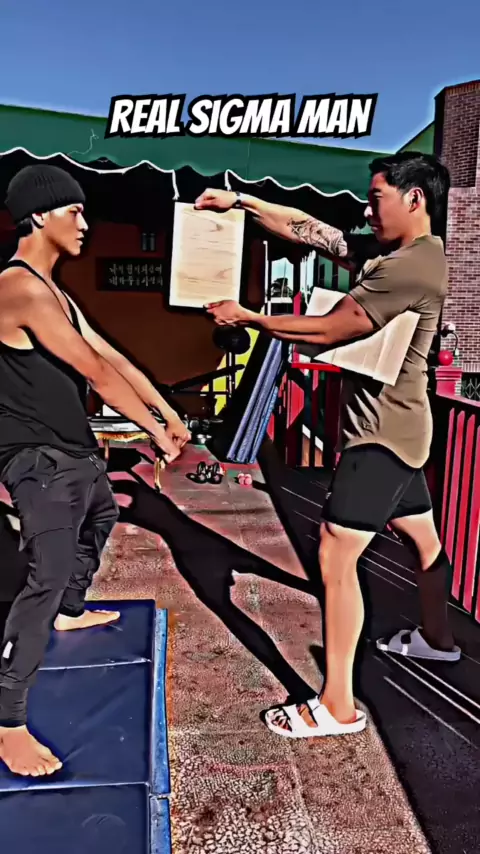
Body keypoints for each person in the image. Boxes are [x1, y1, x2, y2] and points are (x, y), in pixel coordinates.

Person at [194, 151, 460, 739]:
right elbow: (309, 230)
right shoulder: (400, 254)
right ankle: (438, 639)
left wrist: (250, 318)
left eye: (377, 197)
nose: (367, 209)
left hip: (380, 438)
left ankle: (337, 705)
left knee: (337, 555)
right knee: (424, 539)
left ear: (414, 199)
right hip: (406, 431)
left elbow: (332, 328)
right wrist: (240, 201)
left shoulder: (409, 268)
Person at [0, 164, 190, 776]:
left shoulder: (54, 291)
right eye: (74, 211)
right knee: (46, 572)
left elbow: (113, 356)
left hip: (72, 448)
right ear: (39, 215)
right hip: (36, 454)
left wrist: (167, 411)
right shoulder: (19, 287)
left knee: (102, 516)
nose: (85, 222)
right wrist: (153, 432)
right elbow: (98, 374)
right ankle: (8, 722)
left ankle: (71, 608)